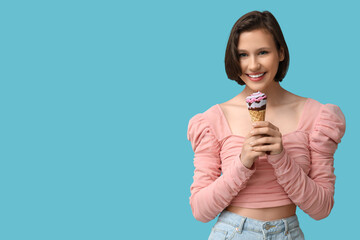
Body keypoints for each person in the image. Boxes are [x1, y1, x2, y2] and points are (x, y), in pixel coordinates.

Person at [186, 10, 346, 240]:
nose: (253, 65)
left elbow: (321, 209)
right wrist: (242, 163)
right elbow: (200, 211)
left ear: (280, 52)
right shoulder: (212, 121)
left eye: (262, 52)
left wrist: (282, 158)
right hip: (232, 233)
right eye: (242, 55)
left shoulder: (318, 117)